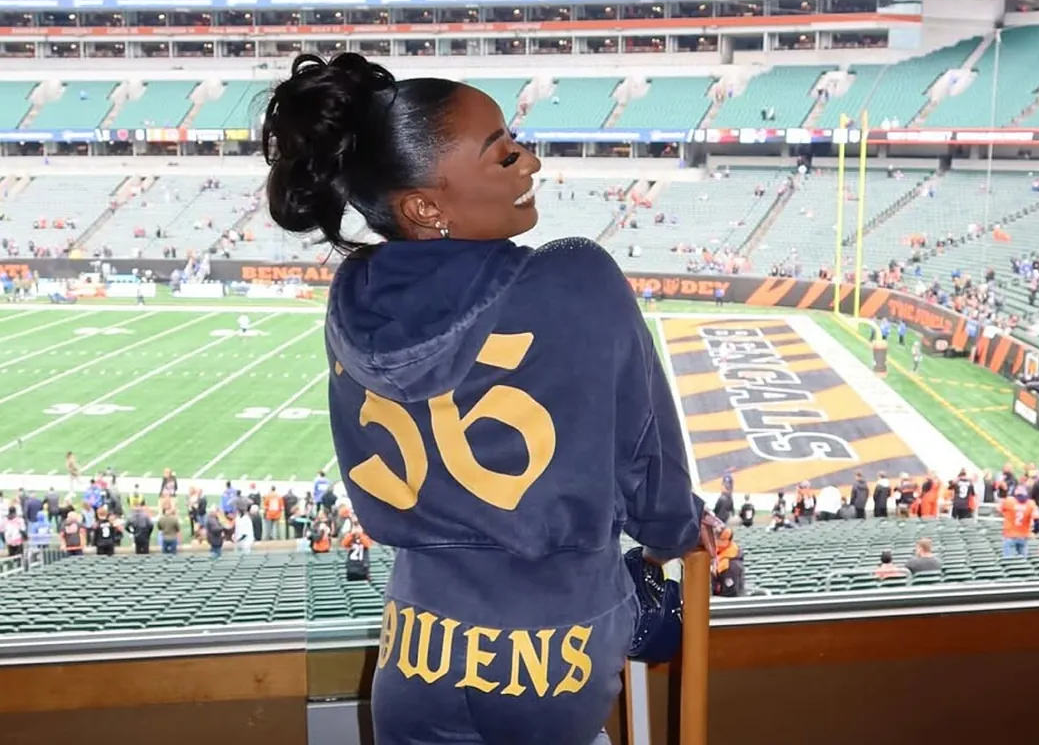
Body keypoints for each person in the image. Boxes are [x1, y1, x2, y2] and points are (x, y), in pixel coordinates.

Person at [262, 52, 717, 745]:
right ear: (424, 205)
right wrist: (682, 538)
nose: (529, 162)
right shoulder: (577, 279)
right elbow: (652, 474)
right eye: (502, 154)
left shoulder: (352, 297)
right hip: (550, 654)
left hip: (414, 650)